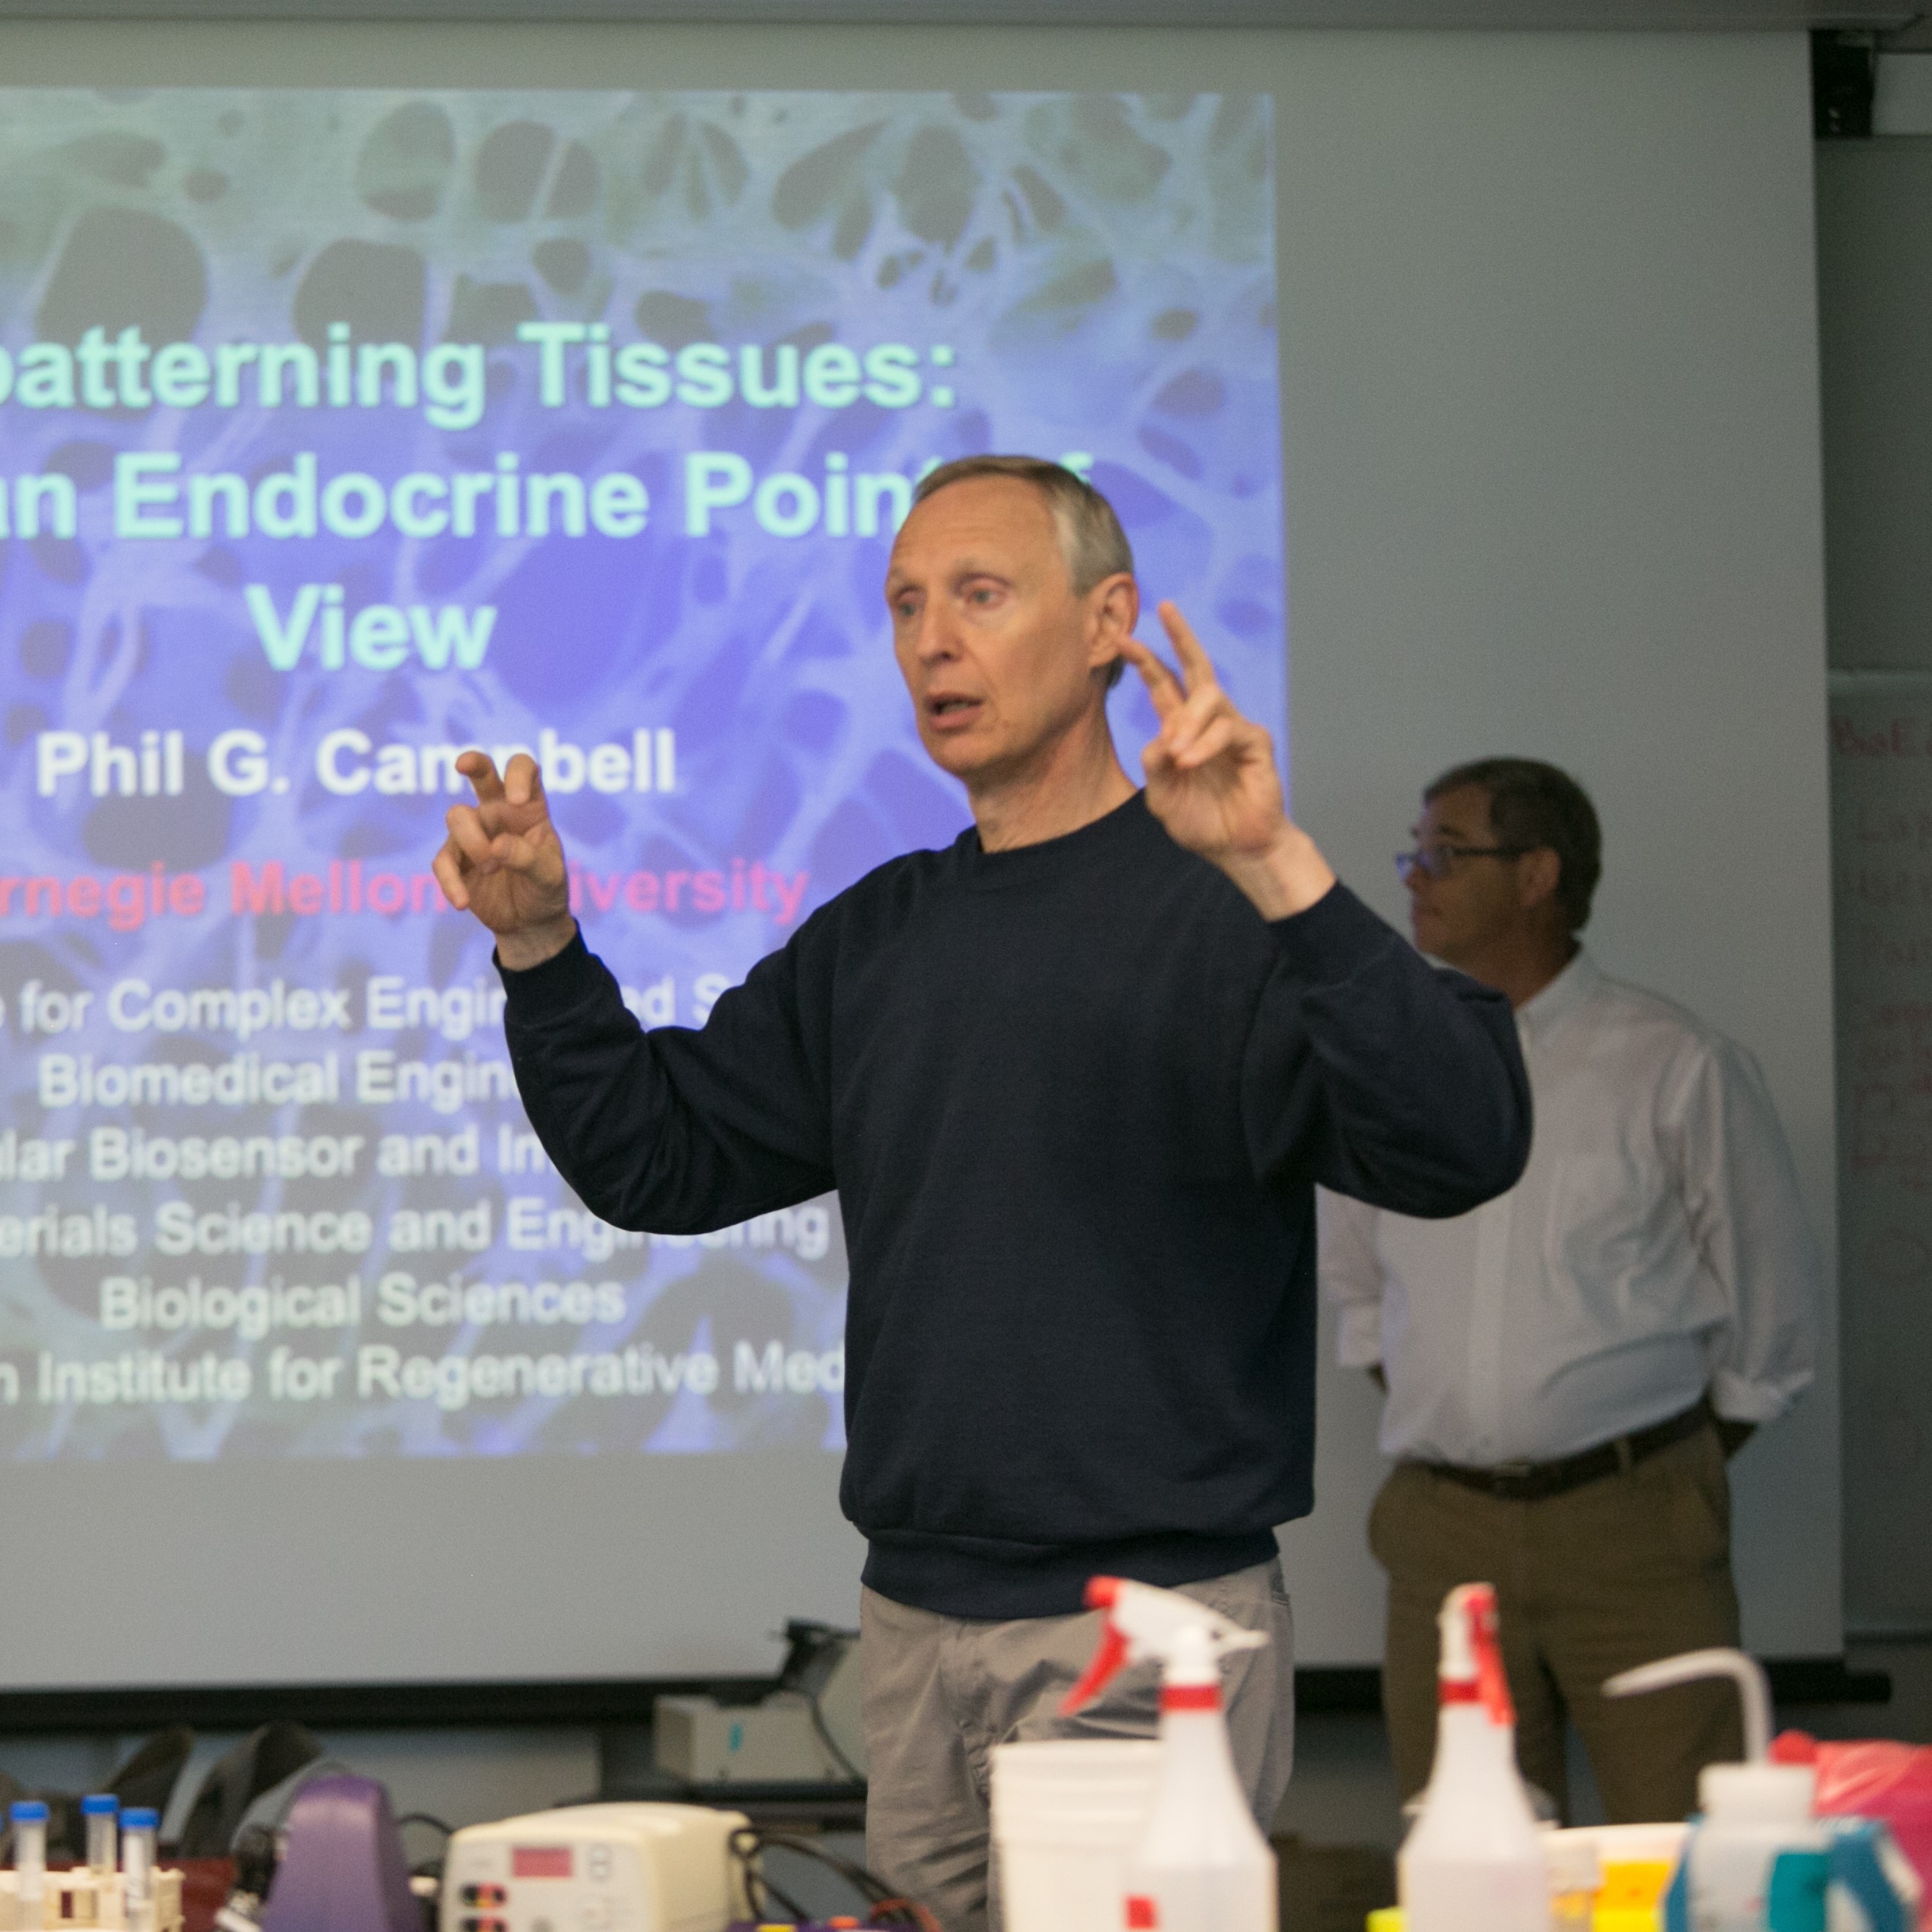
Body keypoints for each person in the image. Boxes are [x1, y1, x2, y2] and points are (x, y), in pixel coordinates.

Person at [434, 456, 1531, 1932]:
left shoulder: (1227, 911)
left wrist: (1275, 861)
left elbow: (1464, 1140)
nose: (930, 638)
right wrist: (544, 950)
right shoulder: (883, 934)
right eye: (903, 603)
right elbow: (659, 1155)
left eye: (979, 594)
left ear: (1106, 623)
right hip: (912, 1631)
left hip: (1147, 1634)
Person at [1320, 756, 1823, 1826]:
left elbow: (1769, 1332)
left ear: (1537, 874)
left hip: (1632, 1528)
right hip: (1440, 1533)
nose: (1414, 874)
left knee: (1691, 1847)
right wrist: (1480, 1432)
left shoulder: (1674, 1065)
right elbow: (1361, 1301)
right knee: (1463, 1863)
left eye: (1445, 851)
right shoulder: (1389, 1069)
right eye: (1416, 850)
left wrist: (1635, 1466)